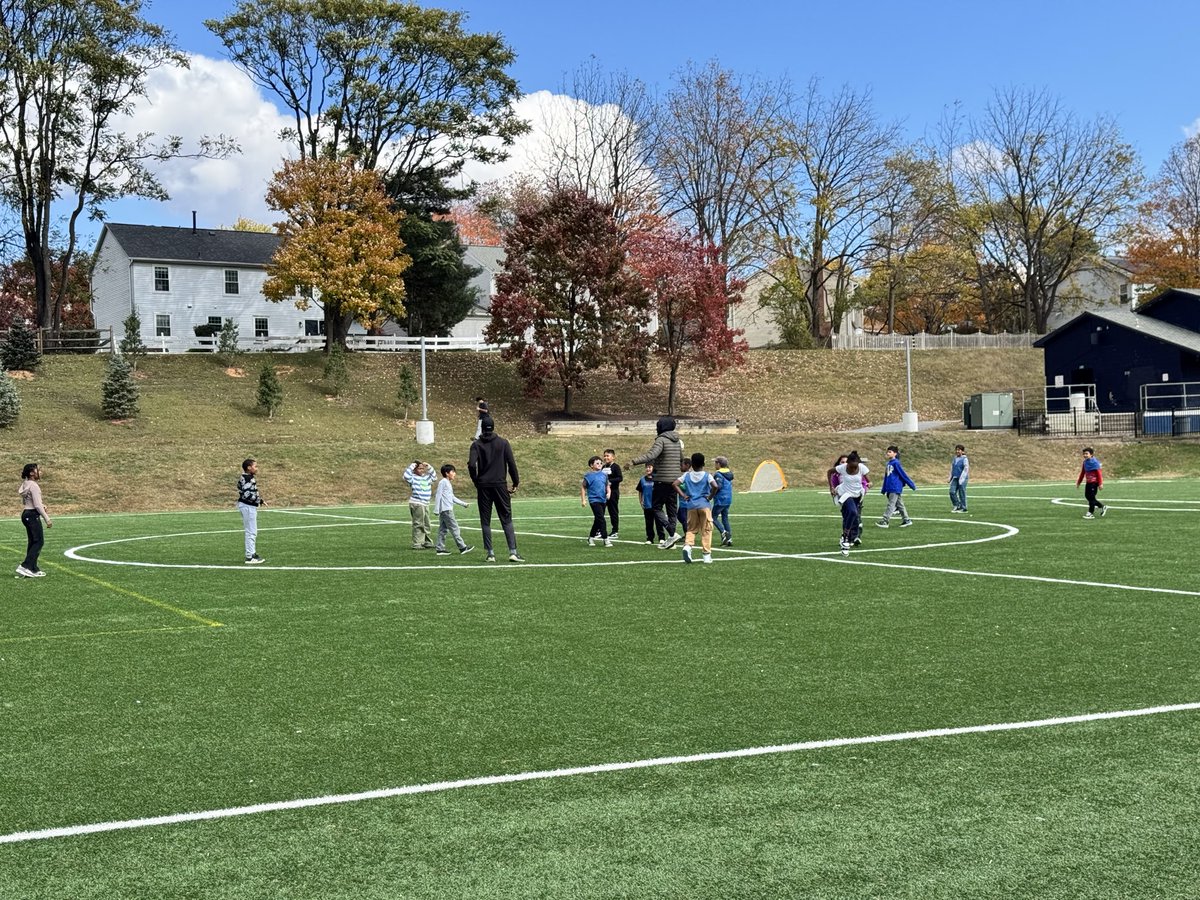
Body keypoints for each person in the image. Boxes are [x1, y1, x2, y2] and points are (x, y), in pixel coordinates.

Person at [468, 415, 524, 562]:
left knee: (485, 521)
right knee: (506, 519)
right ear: (493, 427)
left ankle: (490, 553)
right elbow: (511, 464)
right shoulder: (503, 443)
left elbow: (472, 465)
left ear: (481, 428)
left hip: (484, 486)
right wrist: (516, 482)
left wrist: (476, 481)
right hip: (500, 485)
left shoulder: (476, 445)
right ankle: (512, 551)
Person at [631, 416, 684, 549]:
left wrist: (634, 461)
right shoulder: (677, 441)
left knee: (656, 508)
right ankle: (671, 541)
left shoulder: (661, 440)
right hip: (674, 482)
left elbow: (651, 455)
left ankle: (672, 533)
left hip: (662, 480)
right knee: (672, 512)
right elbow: (681, 460)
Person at [675, 452, 717, 564]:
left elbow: (675, 484)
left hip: (691, 506)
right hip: (704, 505)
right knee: (706, 530)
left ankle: (688, 546)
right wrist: (710, 497)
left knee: (691, 529)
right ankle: (706, 555)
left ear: (691, 464)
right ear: (703, 463)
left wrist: (684, 495)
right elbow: (715, 486)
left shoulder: (687, 475)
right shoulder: (707, 475)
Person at [829, 451, 869, 556]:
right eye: (850, 467)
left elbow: (868, 479)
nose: (852, 469)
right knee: (853, 512)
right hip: (845, 493)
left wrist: (869, 484)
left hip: (857, 494)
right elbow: (829, 472)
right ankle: (846, 538)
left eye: (854, 467)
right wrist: (831, 487)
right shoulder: (842, 468)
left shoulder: (862, 468)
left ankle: (844, 536)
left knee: (850, 516)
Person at [17, 462, 52, 577]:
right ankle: (25, 566)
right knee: (39, 541)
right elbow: (37, 505)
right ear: (32, 473)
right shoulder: (34, 485)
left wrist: (42, 505)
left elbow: (27, 501)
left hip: (26, 514)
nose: (40, 472)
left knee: (33, 542)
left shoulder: (25, 484)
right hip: (32, 515)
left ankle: (33, 568)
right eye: (38, 470)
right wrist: (47, 519)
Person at [433, 464, 473, 555]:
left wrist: (463, 504)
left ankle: (440, 549)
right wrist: (436, 509)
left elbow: (452, 497)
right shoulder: (443, 482)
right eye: (453, 472)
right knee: (455, 528)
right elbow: (438, 495)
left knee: (443, 530)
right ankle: (462, 547)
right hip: (446, 510)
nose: (454, 474)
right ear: (447, 473)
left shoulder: (447, 483)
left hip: (446, 509)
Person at [876, 445, 916, 528]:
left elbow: (903, 474)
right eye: (887, 452)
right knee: (900, 505)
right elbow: (886, 477)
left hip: (895, 487)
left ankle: (885, 521)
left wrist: (911, 484)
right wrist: (884, 488)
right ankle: (906, 520)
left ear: (895, 453)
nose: (888, 453)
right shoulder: (888, 464)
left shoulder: (896, 463)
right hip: (890, 487)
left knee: (891, 504)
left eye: (890, 452)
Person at [237, 458, 266, 564]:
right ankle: (250, 556)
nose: (257, 468)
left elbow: (240, 487)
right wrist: (258, 500)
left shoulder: (246, 477)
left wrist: (259, 500)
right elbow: (247, 494)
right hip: (248, 506)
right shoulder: (248, 478)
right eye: (255, 466)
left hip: (247, 506)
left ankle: (252, 553)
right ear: (249, 468)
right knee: (251, 531)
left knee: (251, 531)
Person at [403, 459, 436, 549]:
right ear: (414, 470)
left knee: (427, 523)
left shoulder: (426, 477)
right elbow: (406, 476)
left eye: (422, 469)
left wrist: (428, 466)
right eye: (419, 469)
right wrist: (412, 466)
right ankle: (417, 543)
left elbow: (434, 476)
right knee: (418, 523)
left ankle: (427, 541)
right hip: (417, 503)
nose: (422, 470)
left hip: (425, 503)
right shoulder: (412, 477)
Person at [581, 455, 613, 546]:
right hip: (594, 500)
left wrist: (608, 493)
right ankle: (605, 538)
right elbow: (583, 487)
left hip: (603, 500)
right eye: (597, 463)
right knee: (601, 519)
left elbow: (607, 485)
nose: (599, 464)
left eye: (600, 463)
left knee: (598, 520)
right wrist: (583, 500)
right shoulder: (589, 476)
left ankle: (591, 538)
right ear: (591, 465)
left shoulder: (604, 475)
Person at [635, 463, 664, 545]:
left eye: (649, 467)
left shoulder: (657, 479)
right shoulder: (642, 480)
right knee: (648, 523)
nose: (648, 469)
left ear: (653, 468)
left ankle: (661, 538)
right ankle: (650, 538)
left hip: (657, 505)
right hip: (647, 505)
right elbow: (640, 491)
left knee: (659, 522)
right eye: (646, 467)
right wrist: (641, 501)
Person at [1076, 447, 1106, 519]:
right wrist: (1079, 482)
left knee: (1092, 498)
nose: (1085, 455)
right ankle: (1102, 506)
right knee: (1087, 496)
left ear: (1091, 454)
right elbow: (1083, 473)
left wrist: (1100, 484)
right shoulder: (1085, 462)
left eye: (1086, 454)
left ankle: (1090, 513)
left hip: (1094, 483)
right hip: (1088, 483)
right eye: (1084, 454)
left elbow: (1099, 474)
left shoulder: (1095, 463)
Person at [712, 456, 735, 546]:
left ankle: (724, 533)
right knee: (725, 518)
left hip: (721, 499)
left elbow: (718, 486)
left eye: (715, 463)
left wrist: (711, 494)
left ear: (719, 464)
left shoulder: (718, 474)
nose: (714, 465)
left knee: (712, 517)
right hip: (728, 499)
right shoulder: (729, 473)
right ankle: (729, 539)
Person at [601, 449, 622, 539]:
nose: (606, 458)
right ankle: (599, 530)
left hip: (613, 492)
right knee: (600, 511)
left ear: (613, 457)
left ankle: (615, 531)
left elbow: (620, 478)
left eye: (608, 456)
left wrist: (610, 481)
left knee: (613, 511)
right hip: (603, 492)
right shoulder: (603, 467)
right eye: (605, 456)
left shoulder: (616, 467)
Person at [949, 444, 969, 512]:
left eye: (959, 450)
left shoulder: (964, 459)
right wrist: (950, 477)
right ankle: (957, 505)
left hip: (962, 478)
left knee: (961, 492)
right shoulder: (954, 458)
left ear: (962, 451)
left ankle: (963, 507)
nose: (957, 451)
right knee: (952, 492)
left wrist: (962, 479)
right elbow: (952, 468)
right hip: (955, 477)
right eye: (956, 450)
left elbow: (966, 469)